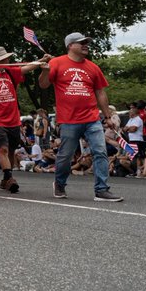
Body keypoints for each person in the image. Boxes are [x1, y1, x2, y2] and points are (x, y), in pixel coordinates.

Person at [37, 33, 122, 201]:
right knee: (65, 156)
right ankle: (59, 184)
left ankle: (101, 190)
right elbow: (43, 84)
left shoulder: (93, 67)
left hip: (92, 118)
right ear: (70, 45)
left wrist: (107, 116)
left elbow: (100, 92)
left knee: (100, 151)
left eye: (87, 43)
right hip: (69, 120)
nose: (86, 45)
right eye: (81, 43)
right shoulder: (56, 62)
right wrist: (45, 72)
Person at [0, 46, 47, 194]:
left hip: (13, 120)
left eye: (7, 58)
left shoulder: (10, 71)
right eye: (4, 59)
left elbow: (26, 68)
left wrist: (41, 61)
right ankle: (9, 177)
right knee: (3, 149)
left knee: (11, 150)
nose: (7, 60)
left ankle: (5, 179)